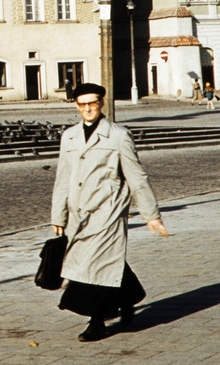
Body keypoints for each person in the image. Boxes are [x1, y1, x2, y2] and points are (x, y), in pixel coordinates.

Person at [50, 83, 169, 342]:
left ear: (102, 103)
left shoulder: (118, 135)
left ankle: (97, 322)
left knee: (97, 263)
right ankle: (127, 299)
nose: (88, 108)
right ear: (76, 105)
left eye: (93, 103)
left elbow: (136, 177)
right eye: (82, 104)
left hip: (108, 211)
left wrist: (151, 214)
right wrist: (57, 216)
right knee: (102, 260)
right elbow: (62, 178)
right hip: (78, 214)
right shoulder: (69, 136)